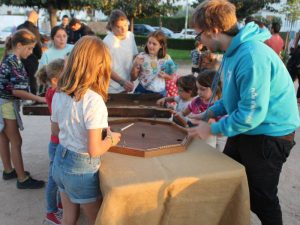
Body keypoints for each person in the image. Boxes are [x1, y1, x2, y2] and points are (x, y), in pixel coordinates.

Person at [188, 1, 300, 225]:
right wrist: (207, 113)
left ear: (214, 31)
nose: (198, 41)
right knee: (229, 180)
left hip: (270, 134)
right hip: (249, 128)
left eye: (198, 35)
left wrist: (211, 128)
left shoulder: (251, 56)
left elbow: (251, 114)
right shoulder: (232, 52)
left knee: (262, 199)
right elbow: (232, 97)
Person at [51, 36, 121, 225]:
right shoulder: (94, 101)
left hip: (60, 160)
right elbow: (95, 150)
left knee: (68, 218)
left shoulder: (59, 92)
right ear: (99, 67)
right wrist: (112, 139)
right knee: (97, 220)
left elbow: (56, 131)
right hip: (81, 169)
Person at [0, 29, 46, 189]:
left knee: (4, 138)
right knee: (16, 141)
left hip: (2, 102)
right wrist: (39, 98)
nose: (31, 52)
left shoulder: (9, 58)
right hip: (5, 104)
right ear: (19, 45)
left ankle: (8, 170)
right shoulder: (14, 61)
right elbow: (16, 91)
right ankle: (22, 179)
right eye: (29, 48)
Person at [36, 59, 65, 224]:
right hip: (56, 142)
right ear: (55, 80)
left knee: (59, 177)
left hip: (58, 140)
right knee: (53, 178)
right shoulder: (54, 93)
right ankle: (51, 211)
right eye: (66, 75)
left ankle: (61, 204)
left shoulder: (55, 91)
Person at [131, 30, 177, 96]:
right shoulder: (141, 57)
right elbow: (133, 78)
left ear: (161, 45)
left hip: (160, 92)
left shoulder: (167, 58)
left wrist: (165, 76)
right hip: (142, 90)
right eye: (149, 42)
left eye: (154, 44)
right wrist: (135, 66)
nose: (150, 46)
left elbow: (172, 77)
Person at [103, 10, 138, 93]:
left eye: (125, 25)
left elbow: (134, 56)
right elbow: (105, 68)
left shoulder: (130, 36)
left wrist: (136, 68)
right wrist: (122, 82)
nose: (123, 29)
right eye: (119, 27)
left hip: (128, 86)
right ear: (112, 26)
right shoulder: (106, 42)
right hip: (111, 88)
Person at [17, 10, 42, 95]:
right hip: (31, 57)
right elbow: (37, 45)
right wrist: (39, 55)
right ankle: (33, 96)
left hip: (20, 56)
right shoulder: (33, 29)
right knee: (32, 78)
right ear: (34, 17)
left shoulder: (19, 27)